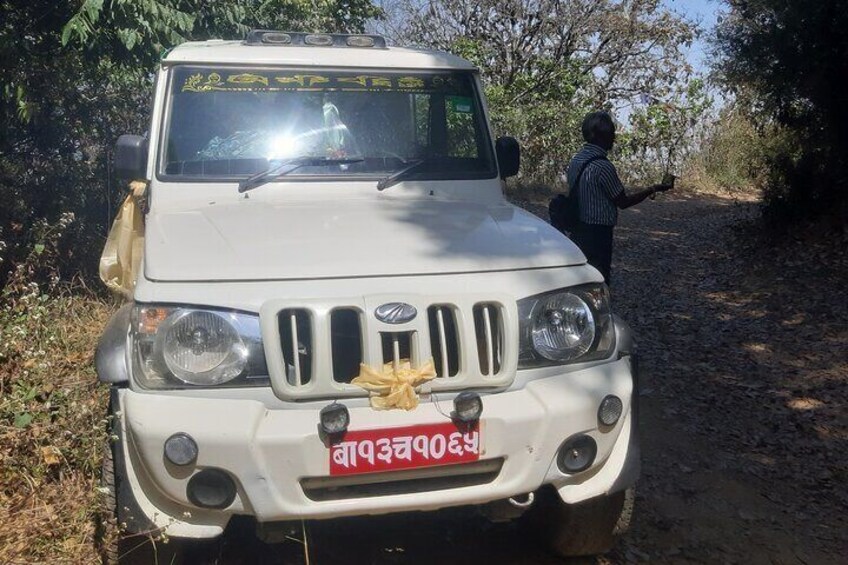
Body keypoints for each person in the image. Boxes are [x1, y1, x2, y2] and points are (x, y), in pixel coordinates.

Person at [565, 111, 673, 284]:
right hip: (598, 232)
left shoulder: (576, 160)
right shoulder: (603, 166)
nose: (614, 139)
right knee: (600, 277)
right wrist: (652, 189)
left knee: (582, 277)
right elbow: (623, 202)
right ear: (604, 136)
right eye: (612, 134)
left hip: (578, 227)